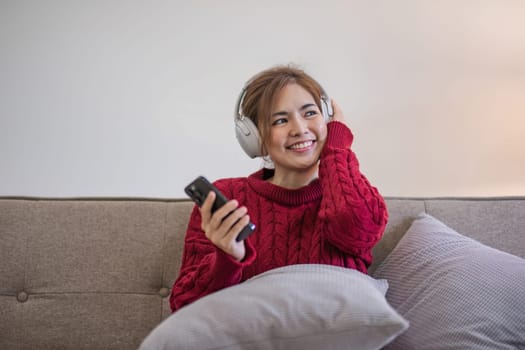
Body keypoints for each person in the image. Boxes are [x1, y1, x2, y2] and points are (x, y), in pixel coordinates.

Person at [170, 64, 388, 312]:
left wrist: (336, 148)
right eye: (280, 120)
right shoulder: (228, 198)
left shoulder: (349, 191)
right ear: (253, 136)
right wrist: (228, 258)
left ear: (327, 119)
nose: (300, 129)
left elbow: (360, 231)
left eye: (309, 113)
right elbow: (182, 305)